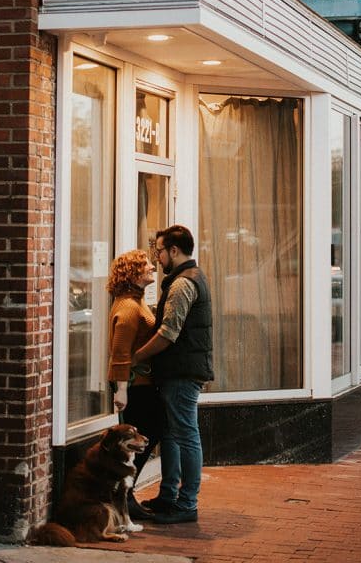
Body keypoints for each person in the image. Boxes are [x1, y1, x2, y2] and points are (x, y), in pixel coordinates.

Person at [131, 224, 213, 525]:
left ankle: (187, 503)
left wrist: (136, 356)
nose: (157, 258)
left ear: (174, 250)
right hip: (178, 371)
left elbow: (168, 333)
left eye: (159, 251)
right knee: (172, 434)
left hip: (181, 373)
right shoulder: (189, 277)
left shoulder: (182, 283)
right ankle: (168, 497)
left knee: (186, 435)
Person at [107, 249, 164, 521]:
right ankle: (124, 493)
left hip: (140, 383)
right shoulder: (129, 307)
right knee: (144, 436)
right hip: (134, 385)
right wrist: (121, 390)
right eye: (146, 264)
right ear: (133, 273)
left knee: (149, 433)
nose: (152, 267)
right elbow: (120, 352)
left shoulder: (136, 300)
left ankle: (125, 493)